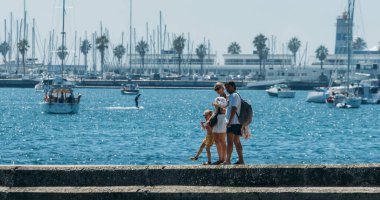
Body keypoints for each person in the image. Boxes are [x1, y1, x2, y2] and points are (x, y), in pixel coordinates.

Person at [224, 80, 245, 165]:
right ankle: (241, 160)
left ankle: (227, 160)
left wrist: (230, 121)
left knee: (229, 142)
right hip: (237, 122)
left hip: (233, 123)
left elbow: (234, 108)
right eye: (226, 88)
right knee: (237, 141)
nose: (227, 89)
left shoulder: (234, 95)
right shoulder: (236, 95)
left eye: (228, 87)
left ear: (233, 86)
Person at [209, 82, 228, 165]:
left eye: (218, 88)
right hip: (216, 118)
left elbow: (226, 110)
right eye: (215, 89)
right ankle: (220, 159)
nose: (217, 91)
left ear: (223, 88)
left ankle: (224, 159)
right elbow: (215, 111)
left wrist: (218, 105)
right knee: (216, 140)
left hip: (223, 118)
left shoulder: (227, 97)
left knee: (222, 140)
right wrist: (210, 119)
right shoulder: (218, 98)